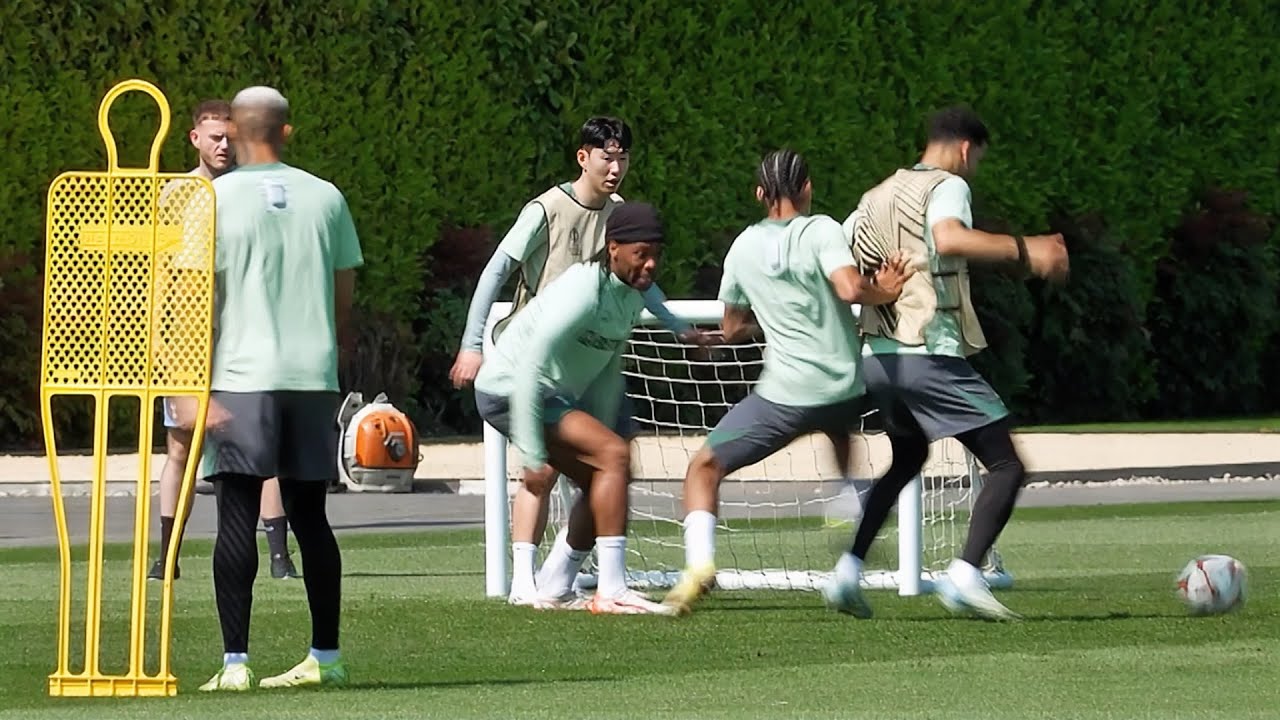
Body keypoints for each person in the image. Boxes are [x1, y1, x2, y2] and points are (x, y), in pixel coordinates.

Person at [449, 116, 709, 605]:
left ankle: (561, 577)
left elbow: (642, 286)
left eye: (623, 158)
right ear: (582, 158)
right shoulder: (546, 210)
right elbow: (496, 271)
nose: (615, 168)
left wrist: (679, 329)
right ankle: (531, 582)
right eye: (606, 157)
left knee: (610, 464)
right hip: (531, 365)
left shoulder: (622, 217)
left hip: (582, 365)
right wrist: (472, 343)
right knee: (546, 471)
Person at [826, 106, 1069, 621]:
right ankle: (963, 576)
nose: (974, 167)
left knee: (909, 459)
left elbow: (837, 262)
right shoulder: (948, 184)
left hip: (878, 359)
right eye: (976, 157)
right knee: (1007, 464)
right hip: (926, 354)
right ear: (965, 148)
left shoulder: (874, 196)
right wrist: (1028, 249)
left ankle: (848, 571)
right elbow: (949, 237)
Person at [661, 149, 912, 615]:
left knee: (703, 468)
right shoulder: (823, 230)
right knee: (837, 424)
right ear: (808, 189)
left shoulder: (742, 247)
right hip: (844, 390)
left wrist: (750, 329)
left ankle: (698, 567)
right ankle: (848, 496)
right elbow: (851, 290)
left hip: (785, 398)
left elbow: (734, 328)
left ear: (759, 194)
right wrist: (889, 290)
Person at [185, 86, 361, 691]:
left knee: (236, 513)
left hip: (239, 376)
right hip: (313, 377)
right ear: (287, 132)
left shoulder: (206, 198)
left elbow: (191, 303)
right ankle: (327, 657)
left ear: (231, 131)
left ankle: (235, 664)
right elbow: (343, 303)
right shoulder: (328, 197)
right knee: (311, 516)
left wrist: (190, 389)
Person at [473, 202, 681, 615]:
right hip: (508, 390)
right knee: (613, 457)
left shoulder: (628, 296)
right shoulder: (584, 288)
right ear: (613, 247)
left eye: (657, 253)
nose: (651, 263)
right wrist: (533, 452)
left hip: (550, 395)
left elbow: (607, 371)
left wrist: (605, 429)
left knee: (610, 473)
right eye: (642, 253)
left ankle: (555, 585)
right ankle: (611, 589)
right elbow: (531, 363)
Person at [149, 99, 299, 583]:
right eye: (213, 136)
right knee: (180, 449)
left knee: (263, 448)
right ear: (195, 138)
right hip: (189, 345)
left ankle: (279, 555)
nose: (221, 145)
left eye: (228, 136)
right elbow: (159, 277)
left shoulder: (254, 190)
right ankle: (167, 556)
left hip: (246, 342)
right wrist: (161, 343)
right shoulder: (176, 196)